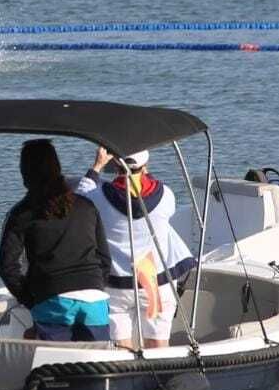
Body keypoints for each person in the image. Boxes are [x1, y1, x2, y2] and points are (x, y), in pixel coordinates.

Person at [76, 147, 197, 350]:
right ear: (145, 165)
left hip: (116, 287)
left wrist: (97, 167)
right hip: (154, 285)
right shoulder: (166, 195)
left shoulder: (97, 197)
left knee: (121, 349)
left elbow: (78, 199)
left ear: (115, 165)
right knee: (158, 344)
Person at [0, 139, 112, 343]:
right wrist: (95, 283)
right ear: (57, 167)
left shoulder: (21, 214)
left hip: (52, 298)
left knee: (55, 367)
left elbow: (7, 267)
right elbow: (104, 258)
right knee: (96, 364)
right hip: (94, 297)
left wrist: (32, 300)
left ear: (24, 173)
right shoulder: (86, 206)